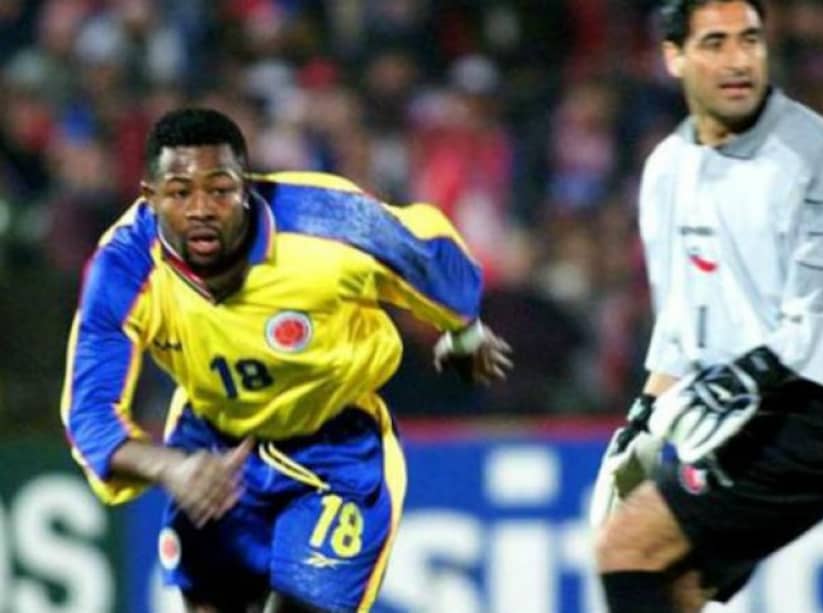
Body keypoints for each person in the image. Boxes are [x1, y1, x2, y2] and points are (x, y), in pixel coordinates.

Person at [60, 107, 512, 613]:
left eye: (220, 189)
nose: (202, 208)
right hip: (213, 452)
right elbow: (89, 413)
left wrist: (464, 331)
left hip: (337, 447)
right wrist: (173, 469)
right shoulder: (123, 268)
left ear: (247, 187)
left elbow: (429, 255)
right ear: (151, 197)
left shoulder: (329, 225)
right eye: (181, 192)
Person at [588, 1, 823, 611]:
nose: (738, 61)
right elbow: (681, 320)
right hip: (730, 407)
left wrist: (740, 381)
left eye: (749, 40)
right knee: (675, 580)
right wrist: (643, 415)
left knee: (627, 547)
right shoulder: (667, 170)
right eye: (715, 43)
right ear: (673, 57)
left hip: (816, 414)